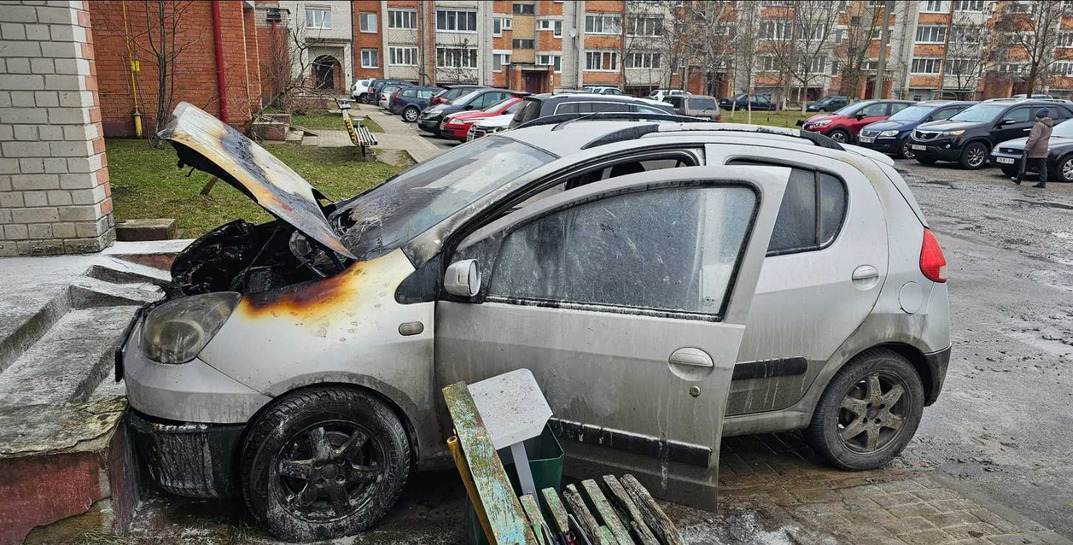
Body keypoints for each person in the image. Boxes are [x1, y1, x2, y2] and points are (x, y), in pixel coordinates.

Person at [1014, 109, 1053, 188]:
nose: (1035, 117)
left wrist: (1027, 147)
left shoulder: (1039, 125)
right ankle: (1043, 182)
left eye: (1036, 116)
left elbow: (1034, 138)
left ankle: (1018, 179)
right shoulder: (1049, 125)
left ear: (1039, 116)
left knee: (1024, 163)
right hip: (1044, 148)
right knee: (1042, 166)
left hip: (1035, 148)